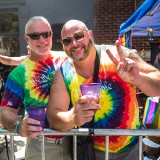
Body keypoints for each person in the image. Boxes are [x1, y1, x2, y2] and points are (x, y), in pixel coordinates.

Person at [47, 19, 160, 160]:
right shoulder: (64, 72)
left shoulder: (118, 57)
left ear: (90, 35)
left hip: (130, 151)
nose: (74, 43)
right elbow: (53, 117)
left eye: (78, 36)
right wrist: (72, 118)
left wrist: (138, 79)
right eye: (67, 41)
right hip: (91, 152)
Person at [0, 16, 71, 160]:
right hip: (41, 145)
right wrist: (18, 125)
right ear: (27, 39)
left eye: (46, 34)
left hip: (74, 141)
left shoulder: (67, 60)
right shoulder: (19, 73)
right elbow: (4, 111)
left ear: (51, 35)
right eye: (35, 36)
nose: (42, 40)